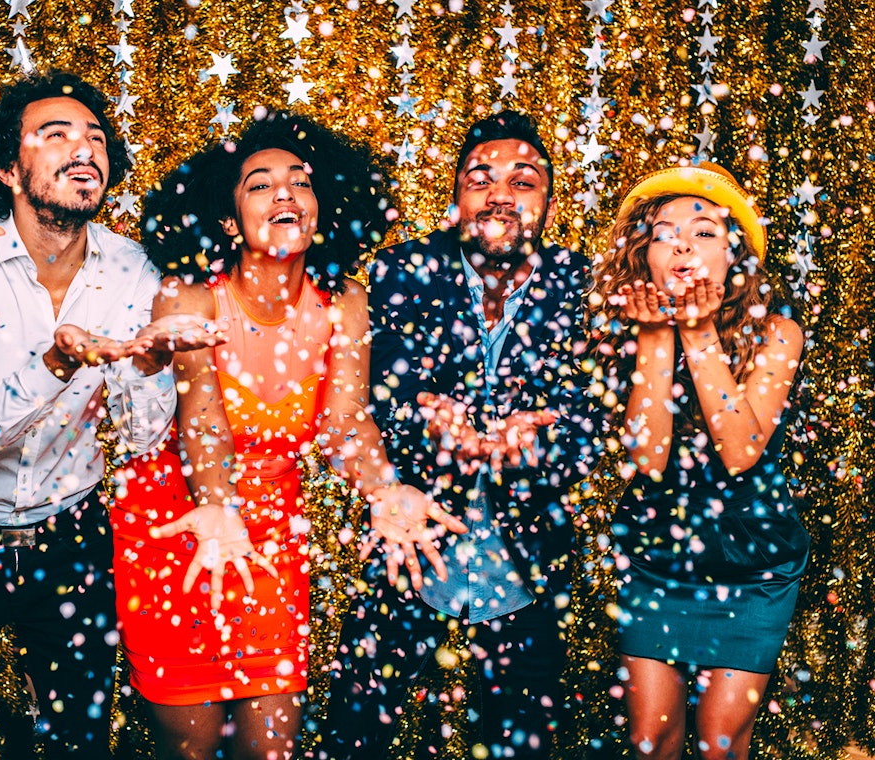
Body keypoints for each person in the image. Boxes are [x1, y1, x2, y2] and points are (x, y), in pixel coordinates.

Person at [112, 112, 465, 760]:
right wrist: (218, 504)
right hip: (178, 526)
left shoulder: (343, 302)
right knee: (187, 747)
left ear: (320, 208)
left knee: (271, 747)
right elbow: (203, 422)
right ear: (227, 220)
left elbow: (342, 423)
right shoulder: (188, 299)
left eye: (299, 182)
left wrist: (385, 490)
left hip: (274, 536)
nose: (283, 193)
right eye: (259, 184)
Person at [0, 71, 218, 758]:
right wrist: (59, 362)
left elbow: (136, 438)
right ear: (8, 168)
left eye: (96, 138)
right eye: (56, 135)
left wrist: (152, 366)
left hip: (71, 541)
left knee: (81, 740)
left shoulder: (137, 269)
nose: (84, 150)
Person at [321, 109, 601, 759]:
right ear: (455, 202)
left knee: (520, 743)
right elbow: (362, 400)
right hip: (410, 541)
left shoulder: (584, 287)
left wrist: (541, 439)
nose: (500, 192)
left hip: (526, 557)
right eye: (481, 177)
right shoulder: (399, 275)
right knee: (354, 736)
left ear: (550, 207)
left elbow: (597, 415)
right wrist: (425, 421)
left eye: (522, 179)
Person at [588, 162, 809, 760]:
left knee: (719, 744)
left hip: (753, 559)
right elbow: (647, 458)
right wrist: (657, 336)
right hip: (658, 554)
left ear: (736, 256)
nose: (683, 241)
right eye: (663, 232)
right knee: (649, 738)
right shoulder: (625, 328)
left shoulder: (778, 332)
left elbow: (739, 452)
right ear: (643, 255)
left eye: (705, 230)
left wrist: (699, 330)